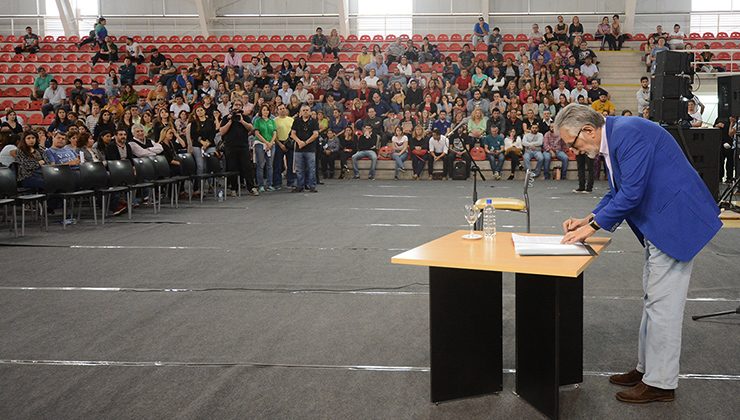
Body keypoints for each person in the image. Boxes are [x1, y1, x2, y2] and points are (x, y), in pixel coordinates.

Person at [556, 104, 721, 403]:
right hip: (661, 224)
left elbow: (632, 193)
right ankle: (647, 370)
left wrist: (592, 227)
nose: (574, 150)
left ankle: (660, 383)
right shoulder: (616, 135)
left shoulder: (628, 134)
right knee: (654, 300)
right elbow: (617, 191)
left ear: (588, 130)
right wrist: (589, 217)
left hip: (675, 224)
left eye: (573, 143)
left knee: (663, 306)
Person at [219, 99, 258, 196]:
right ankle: (233, 189)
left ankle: (251, 187)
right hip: (230, 146)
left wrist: (241, 121)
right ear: (232, 107)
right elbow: (222, 132)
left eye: (240, 105)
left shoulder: (245, 117)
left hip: (243, 146)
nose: (237, 106)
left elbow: (251, 128)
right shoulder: (226, 118)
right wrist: (230, 121)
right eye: (236, 105)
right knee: (232, 168)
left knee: (247, 167)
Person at [290, 105, 319, 192]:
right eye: (304, 110)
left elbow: (315, 134)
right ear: (301, 112)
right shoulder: (296, 121)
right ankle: (300, 186)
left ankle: (312, 186)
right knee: (299, 169)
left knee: (311, 168)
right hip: (299, 149)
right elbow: (292, 134)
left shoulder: (314, 121)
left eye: (307, 110)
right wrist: (299, 142)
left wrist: (305, 142)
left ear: (310, 111)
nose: (305, 111)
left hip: (310, 149)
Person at [252, 104, 276, 192]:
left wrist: (270, 143)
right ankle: (261, 185)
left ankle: (269, 184)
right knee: (260, 165)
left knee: (270, 165)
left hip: (271, 144)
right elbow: (257, 133)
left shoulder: (272, 121)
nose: (266, 112)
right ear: (261, 111)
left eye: (267, 110)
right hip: (260, 144)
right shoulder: (257, 121)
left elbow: (274, 133)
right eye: (264, 110)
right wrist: (266, 143)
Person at [272, 104, 295, 189]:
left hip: (289, 142)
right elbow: (274, 134)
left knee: (290, 163)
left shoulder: (291, 119)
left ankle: (290, 182)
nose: (282, 110)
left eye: (283, 108)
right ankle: (277, 183)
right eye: (280, 109)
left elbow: (293, 132)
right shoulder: (274, 120)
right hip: (279, 143)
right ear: (277, 111)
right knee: (277, 164)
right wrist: (280, 144)